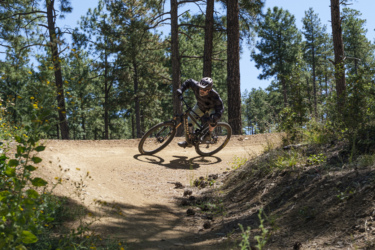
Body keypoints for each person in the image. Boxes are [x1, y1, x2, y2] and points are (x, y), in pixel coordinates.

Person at [176, 77, 224, 148]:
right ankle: (189, 141)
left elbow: (220, 108)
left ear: (209, 90)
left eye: (204, 90)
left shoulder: (214, 95)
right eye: (200, 88)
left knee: (213, 121)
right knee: (189, 122)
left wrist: (215, 117)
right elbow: (188, 82)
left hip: (212, 108)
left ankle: (209, 134)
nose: (201, 90)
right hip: (200, 106)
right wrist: (181, 89)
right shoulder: (196, 86)